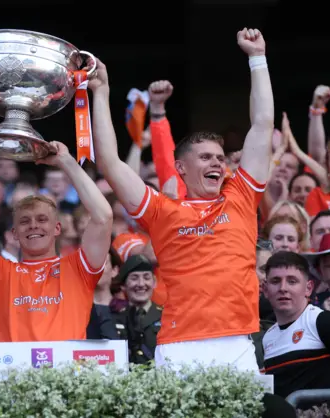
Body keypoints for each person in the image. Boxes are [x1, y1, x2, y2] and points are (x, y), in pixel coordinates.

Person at [90, 28, 273, 371]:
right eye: (205, 158)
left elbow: (262, 124)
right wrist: (101, 92)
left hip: (236, 342)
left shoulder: (241, 196)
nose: (217, 163)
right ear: (180, 168)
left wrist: (257, 58)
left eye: (220, 158)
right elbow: (110, 163)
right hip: (179, 344)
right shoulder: (162, 209)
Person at [0, 141, 113, 341]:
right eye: (24, 221)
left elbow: (104, 217)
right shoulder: (1, 274)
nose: (33, 225)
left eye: (42, 219)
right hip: (15, 372)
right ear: (14, 233)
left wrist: (66, 162)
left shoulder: (79, 268)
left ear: (57, 228)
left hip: (69, 371)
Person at [261, 251, 330, 399]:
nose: (283, 288)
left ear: (308, 288)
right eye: (275, 281)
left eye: (292, 281)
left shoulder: (322, 321)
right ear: (265, 290)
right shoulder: (267, 337)